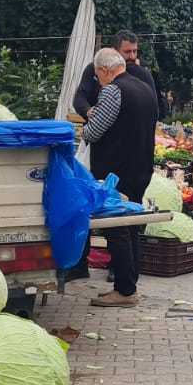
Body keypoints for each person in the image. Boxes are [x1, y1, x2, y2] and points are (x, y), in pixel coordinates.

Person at [80, 47, 158, 308]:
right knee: (132, 226)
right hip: (141, 168)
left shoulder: (114, 90)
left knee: (116, 228)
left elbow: (93, 131)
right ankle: (129, 285)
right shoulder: (146, 88)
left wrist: (85, 128)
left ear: (103, 70)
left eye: (98, 77)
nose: (98, 82)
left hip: (115, 172)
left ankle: (124, 291)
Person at [71, 31, 157, 118]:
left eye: (135, 51)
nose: (132, 56)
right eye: (127, 52)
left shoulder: (143, 74)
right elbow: (80, 97)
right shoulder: (95, 69)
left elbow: (153, 107)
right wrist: (88, 111)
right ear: (113, 51)